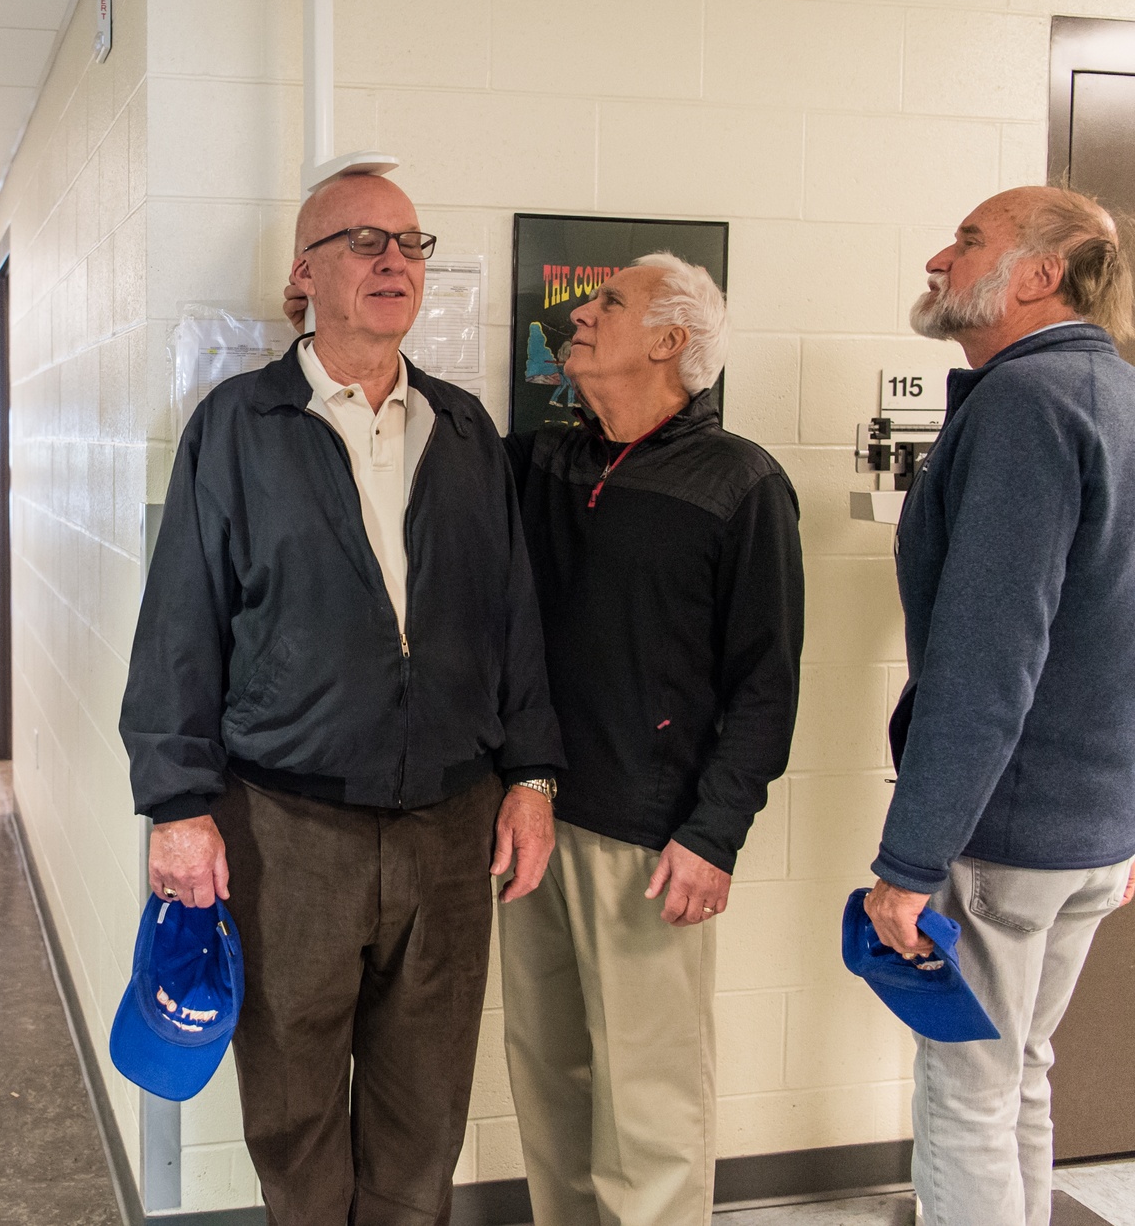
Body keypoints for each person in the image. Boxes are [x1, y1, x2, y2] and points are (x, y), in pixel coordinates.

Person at [121, 172, 564, 1224]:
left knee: (425, 1113)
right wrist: (177, 804)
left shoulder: (461, 430)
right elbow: (178, 626)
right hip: (286, 826)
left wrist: (531, 772)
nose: (392, 261)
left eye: (409, 242)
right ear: (302, 274)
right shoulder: (235, 425)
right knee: (292, 1107)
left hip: (448, 826)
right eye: (362, 240)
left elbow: (513, 616)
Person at [498, 257, 803, 1226]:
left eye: (606, 303)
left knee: (650, 1109)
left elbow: (766, 681)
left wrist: (713, 832)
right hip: (531, 817)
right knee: (548, 1083)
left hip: (649, 837)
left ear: (671, 341)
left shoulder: (740, 481)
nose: (577, 315)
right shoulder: (544, 459)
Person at [863, 186, 1135, 1226]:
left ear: (1036, 274)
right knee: (1017, 1069)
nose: (939, 254)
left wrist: (909, 861)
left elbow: (986, 660)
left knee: (966, 1090)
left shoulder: (1026, 406)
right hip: (1085, 836)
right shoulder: (1112, 394)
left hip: (1007, 830)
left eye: (968, 239)